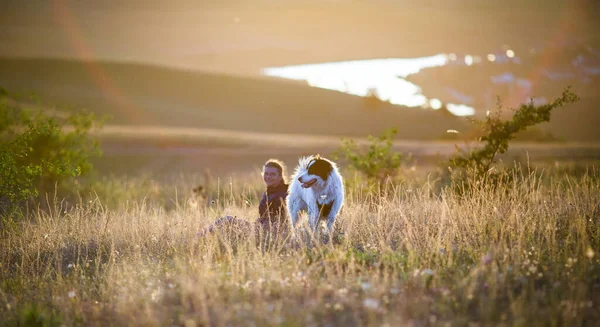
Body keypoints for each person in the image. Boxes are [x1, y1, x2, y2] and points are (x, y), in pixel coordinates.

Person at [196, 159, 289, 244]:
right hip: (260, 230)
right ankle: (204, 240)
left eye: (272, 174)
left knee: (227, 220)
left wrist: (257, 228)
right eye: (266, 173)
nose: (268, 177)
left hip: (269, 235)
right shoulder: (270, 191)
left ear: (280, 176)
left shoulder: (284, 194)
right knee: (227, 225)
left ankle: (198, 238)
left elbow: (280, 222)